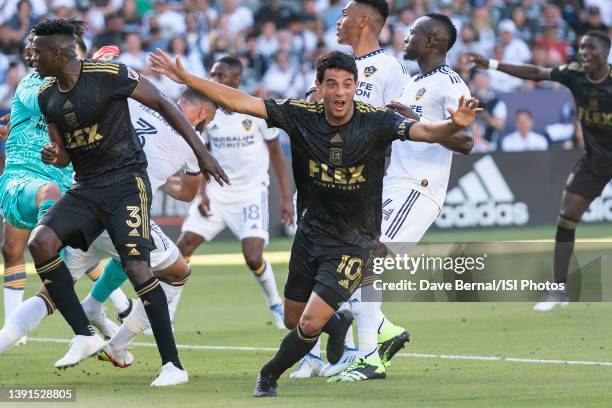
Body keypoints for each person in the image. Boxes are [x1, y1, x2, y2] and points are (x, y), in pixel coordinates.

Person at [148, 48, 482, 397]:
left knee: (307, 323)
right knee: (295, 319)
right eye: (332, 85)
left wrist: (453, 125)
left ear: (355, 87)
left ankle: (269, 374)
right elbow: (243, 101)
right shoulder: (300, 114)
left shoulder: (376, 120)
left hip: (354, 241)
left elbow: (424, 132)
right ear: (319, 87)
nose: (340, 93)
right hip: (311, 235)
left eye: (347, 85)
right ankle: (337, 326)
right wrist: (186, 78)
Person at [30, 18, 226, 386]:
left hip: (125, 185)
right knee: (40, 243)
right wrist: (53, 154)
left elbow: (165, 102)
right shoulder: (47, 97)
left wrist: (201, 155)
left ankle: (173, 366)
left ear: (57, 52)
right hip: (87, 187)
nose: (30, 55)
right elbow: (64, 155)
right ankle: (86, 333)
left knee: (137, 268)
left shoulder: (109, 74)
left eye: (36, 50)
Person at [330, 12, 474, 383]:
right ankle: (382, 334)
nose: (405, 38)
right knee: (349, 256)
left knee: (366, 257)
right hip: (393, 183)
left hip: (419, 188)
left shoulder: (449, 84)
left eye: (413, 34)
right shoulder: (412, 82)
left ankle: (367, 359)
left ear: (432, 42)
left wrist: (413, 119)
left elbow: (466, 141)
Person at [0, 25, 129, 349]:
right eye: (31, 48)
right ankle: (72, 317)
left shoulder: (84, 96)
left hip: (65, 183)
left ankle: (111, 309)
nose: (32, 53)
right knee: (22, 246)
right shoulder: (32, 84)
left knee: (85, 249)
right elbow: (45, 99)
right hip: (23, 180)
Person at [463, 30, 611, 311]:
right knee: (566, 218)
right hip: (594, 162)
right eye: (581, 48)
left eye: (590, 49)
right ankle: (559, 291)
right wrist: (492, 65)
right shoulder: (574, 74)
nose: (584, 53)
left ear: (605, 53)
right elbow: (536, 72)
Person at [174, 56, 292, 330]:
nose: (213, 80)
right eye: (212, 74)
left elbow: (276, 153)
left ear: (236, 79)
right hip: (216, 193)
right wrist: (202, 192)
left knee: (253, 256)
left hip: (251, 193)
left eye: (219, 75)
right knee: (183, 248)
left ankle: (275, 304)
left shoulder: (255, 109)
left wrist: (286, 197)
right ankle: (167, 311)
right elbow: (203, 156)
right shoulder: (207, 112)